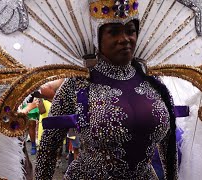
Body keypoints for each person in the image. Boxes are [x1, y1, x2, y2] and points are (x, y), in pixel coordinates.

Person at [35, 1, 177, 179]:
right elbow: (48, 148)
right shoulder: (78, 84)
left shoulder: (155, 84)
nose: (125, 38)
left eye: (130, 30)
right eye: (114, 32)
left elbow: (169, 145)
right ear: (98, 37)